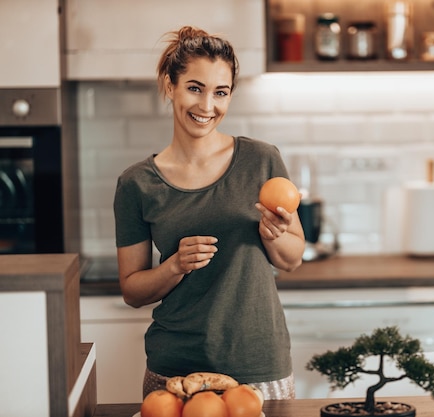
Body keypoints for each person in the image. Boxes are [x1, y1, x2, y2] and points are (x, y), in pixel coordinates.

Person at [113, 26, 306, 400]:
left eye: (221, 93)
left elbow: (293, 258)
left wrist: (275, 235)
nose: (206, 107)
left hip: (258, 365)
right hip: (176, 372)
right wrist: (175, 266)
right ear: (170, 86)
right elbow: (132, 290)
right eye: (195, 88)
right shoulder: (136, 184)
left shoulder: (262, 160)